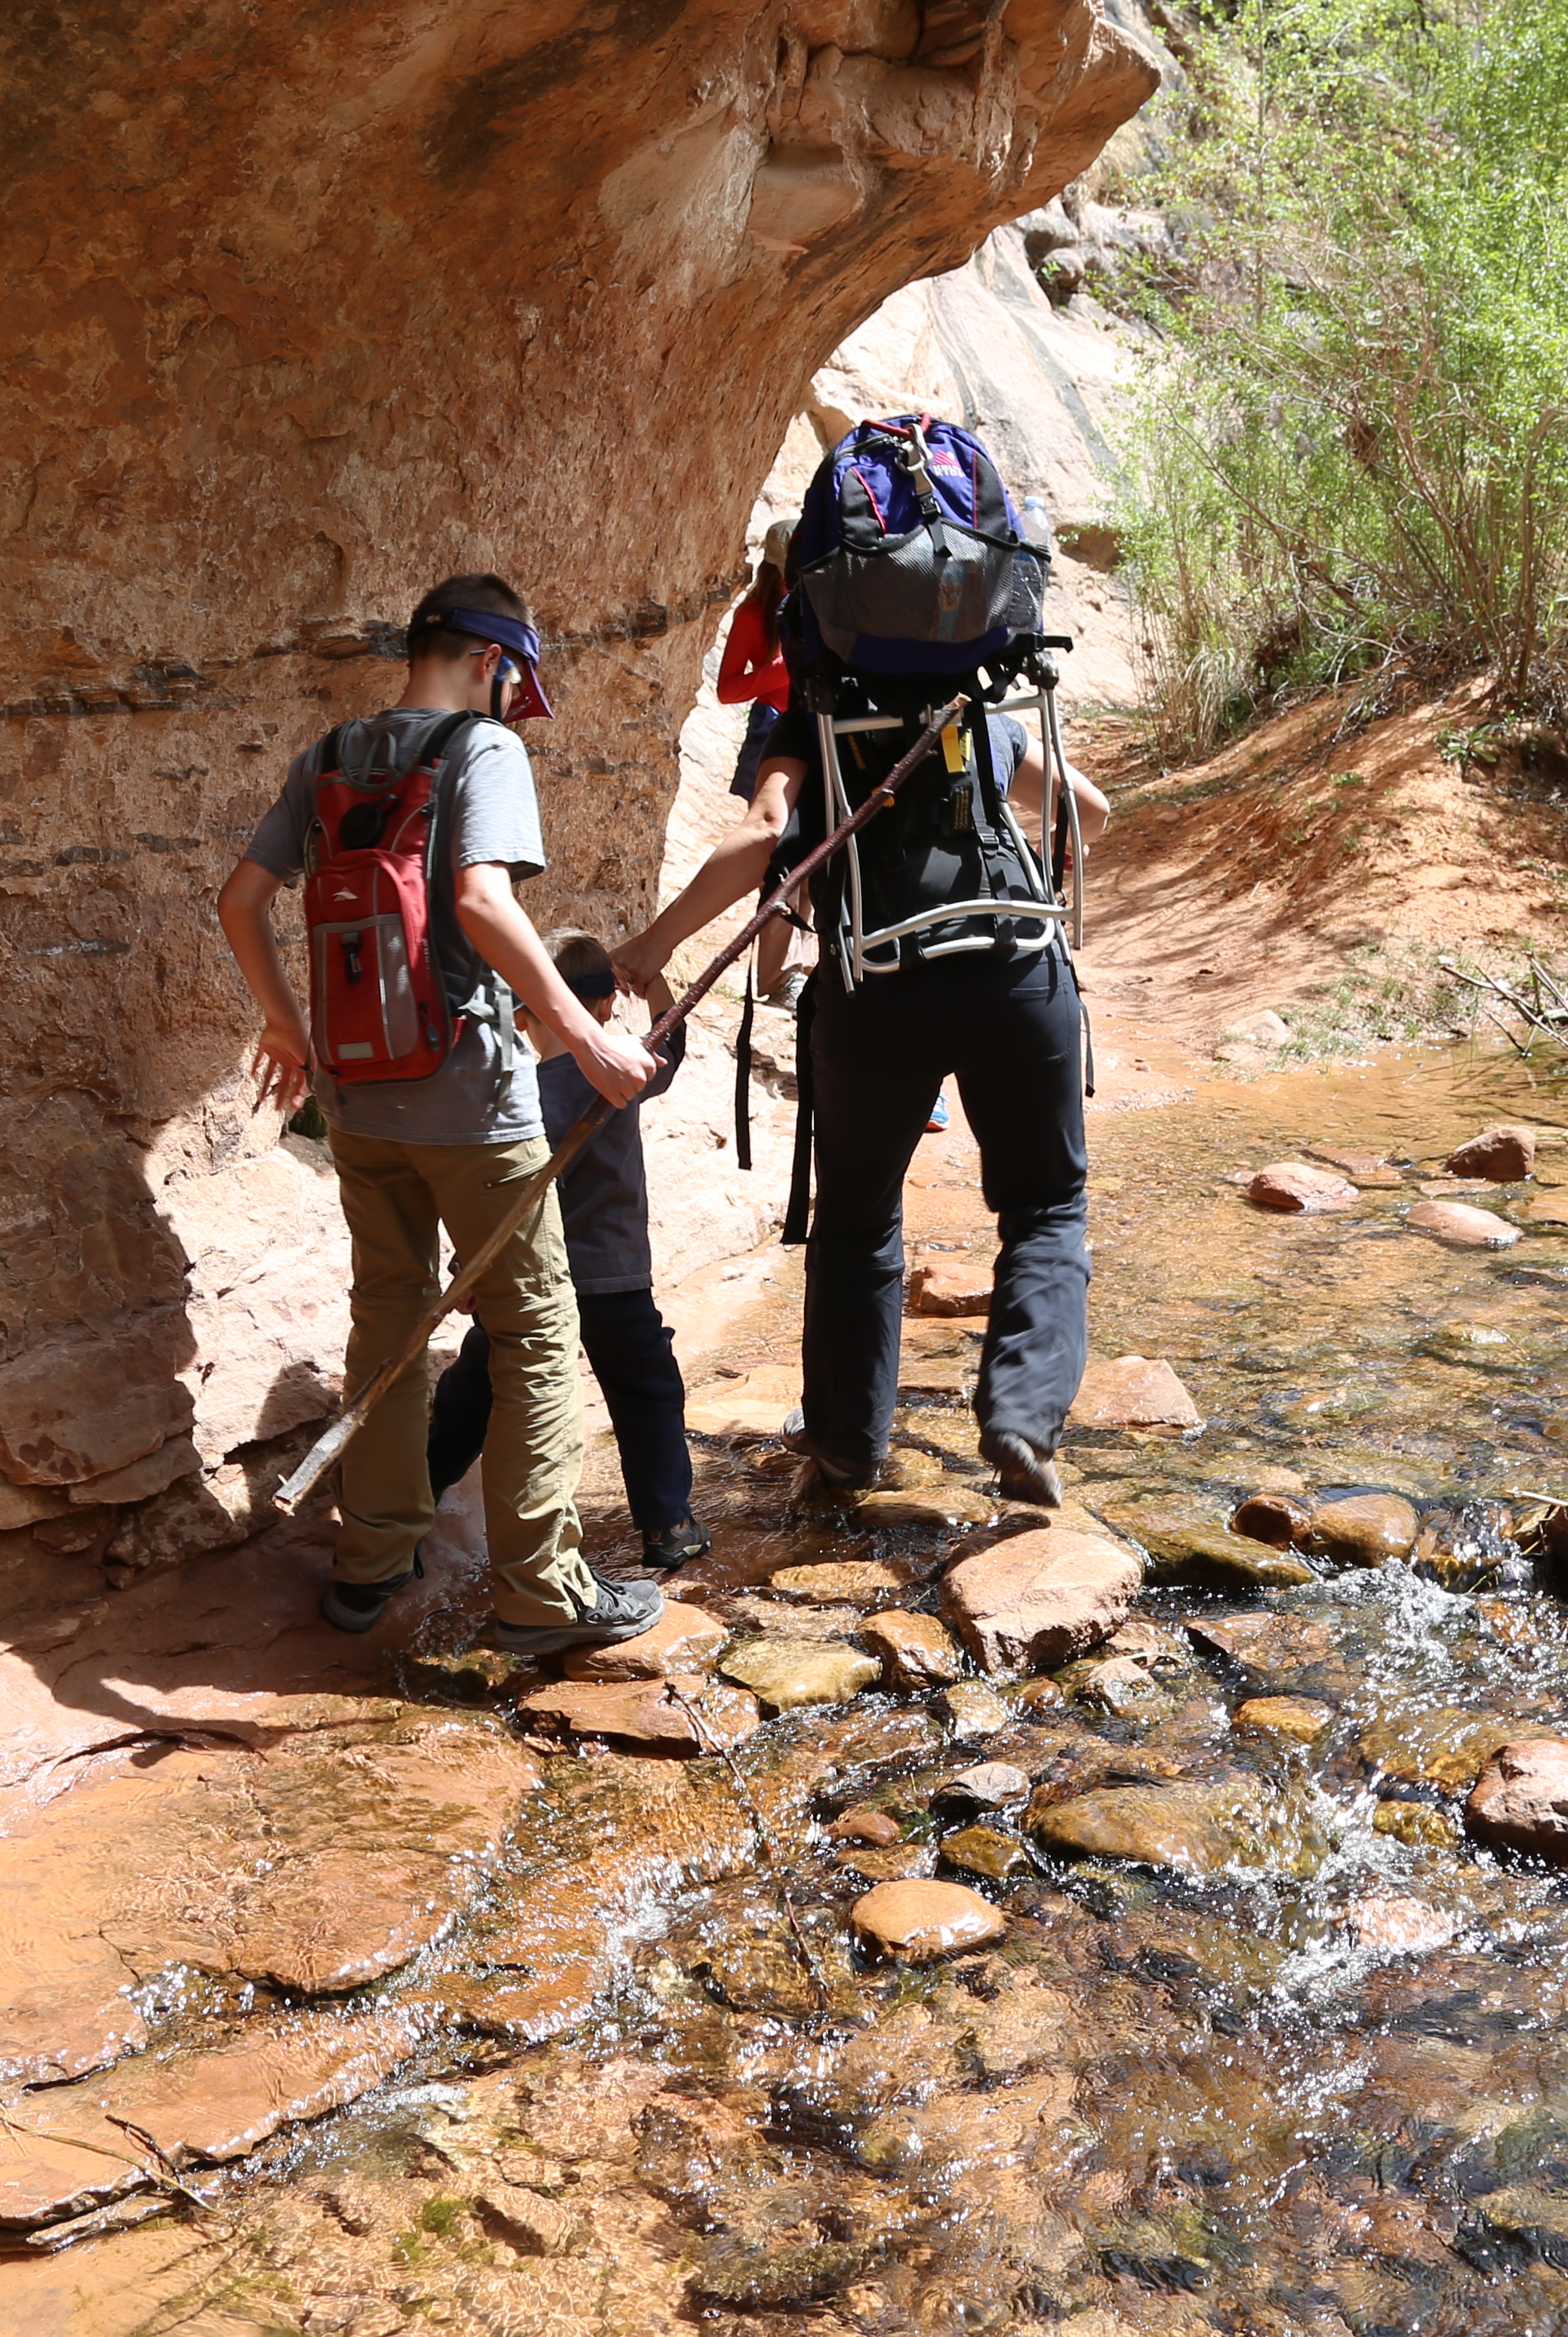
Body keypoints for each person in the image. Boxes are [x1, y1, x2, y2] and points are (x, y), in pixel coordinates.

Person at [212, 577, 667, 1655]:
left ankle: (370, 1567)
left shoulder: (326, 759)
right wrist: (587, 1035)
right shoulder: (483, 751)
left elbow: (242, 900)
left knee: (389, 1328)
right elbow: (478, 899)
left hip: (360, 1102)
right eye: (518, 684)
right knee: (539, 1334)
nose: (517, 707)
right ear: (492, 662)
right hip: (473, 1103)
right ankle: (544, 1594)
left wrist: (287, 1027)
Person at [618, 698, 1110, 1507]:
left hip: (876, 985)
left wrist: (653, 944)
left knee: (857, 1219)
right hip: (1017, 972)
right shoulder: (975, 708)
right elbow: (1088, 812)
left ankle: (846, 1447)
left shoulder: (814, 715)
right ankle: (1022, 1416)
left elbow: (764, 833)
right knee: (1047, 1206)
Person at [421, 932, 704, 1570]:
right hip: (611, 1277)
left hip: (524, 1278)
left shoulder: (507, 1092)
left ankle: (412, 1503)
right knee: (645, 1392)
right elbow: (674, 1039)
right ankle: (667, 1525)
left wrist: (466, 1268)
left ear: (522, 1010)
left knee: (478, 1390)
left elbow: (480, 1192)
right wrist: (651, 979)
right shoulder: (619, 1069)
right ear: (606, 1005)